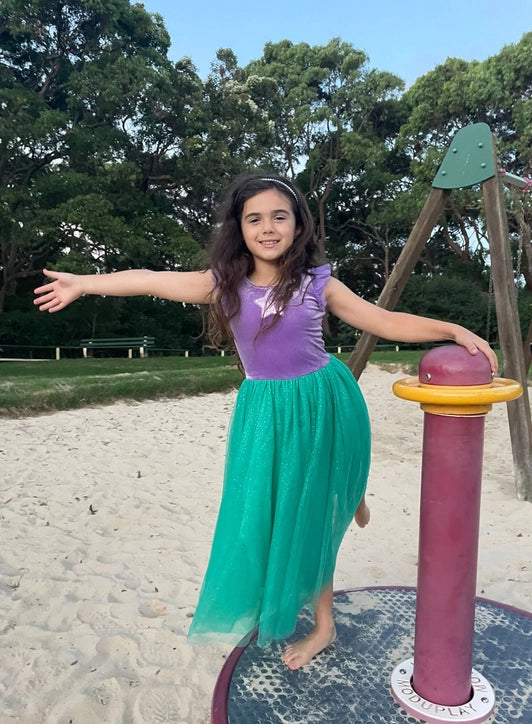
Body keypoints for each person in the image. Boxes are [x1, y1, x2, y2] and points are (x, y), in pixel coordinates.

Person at [34, 172, 498, 671]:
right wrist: (84, 283)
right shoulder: (222, 284)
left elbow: (384, 321)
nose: (268, 227)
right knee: (272, 512)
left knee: (309, 520)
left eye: (280, 216)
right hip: (266, 414)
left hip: (322, 401)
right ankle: (346, 492)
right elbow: (148, 278)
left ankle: (324, 619)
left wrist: (451, 329)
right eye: (254, 219)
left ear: (298, 226)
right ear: (240, 228)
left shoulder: (318, 283)